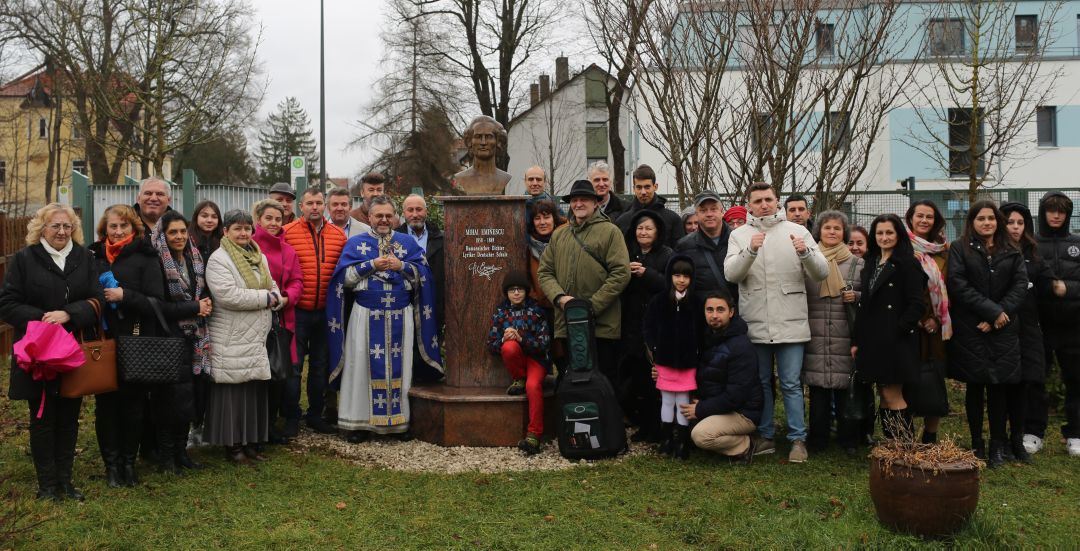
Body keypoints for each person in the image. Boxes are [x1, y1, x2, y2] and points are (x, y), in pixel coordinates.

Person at [0, 204, 101, 501]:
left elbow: (97, 299)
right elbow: (7, 303)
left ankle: (65, 482)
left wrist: (69, 314)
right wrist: (45, 318)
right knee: (42, 417)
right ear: (41, 228)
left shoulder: (84, 257)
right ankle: (47, 485)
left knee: (69, 416)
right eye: (55, 226)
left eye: (66, 226)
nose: (61, 231)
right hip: (37, 353)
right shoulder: (24, 259)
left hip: (72, 350)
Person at [724, 182, 828, 462]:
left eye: (768, 199)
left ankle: (797, 440)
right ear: (749, 205)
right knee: (761, 382)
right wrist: (750, 251)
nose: (764, 205)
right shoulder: (740, 235)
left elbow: (822, 272)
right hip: (755, 322)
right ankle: (766, 435)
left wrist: (805, 252)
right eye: (757, 201)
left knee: (792, 383)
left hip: (790, 322)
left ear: (777, 201)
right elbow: (731, 275)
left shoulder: (798, 231)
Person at [327, 196, 443, 442]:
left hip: (401, 315)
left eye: (388, 215)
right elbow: (344, 280)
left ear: (395, 217)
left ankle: (398, 424)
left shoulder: (407, 242)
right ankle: (359, 423)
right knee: (361, 368)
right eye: (378, 215)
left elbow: (424, 276)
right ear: (369, 217)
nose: (383, 220)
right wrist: (370, 264)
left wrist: (402, 265)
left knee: (402, 368)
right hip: (365, 316)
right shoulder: (356, 243)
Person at [88, 205, 172, 484]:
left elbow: (157, 301)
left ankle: (128, 463)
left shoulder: (146, 256)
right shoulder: (93, 255)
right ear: (105, 229)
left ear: (134, 228)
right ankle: (111, 466)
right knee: (106, 405)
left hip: (134, 339)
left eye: (124, 226)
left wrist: (125, 295)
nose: (118, 231)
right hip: (102, 340)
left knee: (133, 405)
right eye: (113, 226)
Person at [947, 201, 1027, 467]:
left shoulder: (1012, 249)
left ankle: (996, 445)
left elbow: (1019, 286)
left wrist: (998, 316)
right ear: (972, 221)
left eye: (991, 218)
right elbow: (958, 284)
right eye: (980, 218)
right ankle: (976, 444)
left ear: (997, 221)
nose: (986, 223)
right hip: (972, 329)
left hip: (1002, 329)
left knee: (998, 389)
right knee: (975, 387)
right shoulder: (960, 248)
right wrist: (990, 312)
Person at [538, 180, 630, 399]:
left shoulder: (610, 232)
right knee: (573, 380)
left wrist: (590, 306)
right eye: (574, 200)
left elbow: (621, 273)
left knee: (604, 382)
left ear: (595, 203)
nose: (579, 204)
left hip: (602, 326)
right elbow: (545, 272)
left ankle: (607, 430)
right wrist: (560, 298)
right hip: (567, 324)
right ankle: (574, 430)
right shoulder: (560, 235)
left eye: (584, 199)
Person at [205, 209, 282, 464]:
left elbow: (273, 287)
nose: (243, 233)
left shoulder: (258, 256)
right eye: (237, 228)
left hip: (256, 337)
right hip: (232, 335)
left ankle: (250, 443)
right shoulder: (219, 259)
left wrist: (274, 297)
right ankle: (232, 445)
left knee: (252, 391)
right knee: (232, 393)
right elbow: (229, 296)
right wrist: (267, 299)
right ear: (225, 231)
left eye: (247, 228)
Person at [851, 214, 928, 441]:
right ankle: (891, 444)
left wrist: (897, 330)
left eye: (889, 232)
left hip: (897, 342)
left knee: (892, 393)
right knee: (883, 394)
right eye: (880, 233)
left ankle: (905, 448)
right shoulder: (872, 262)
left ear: (899, 235)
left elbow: (917, 305)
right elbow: (865, 305)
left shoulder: (908, 263)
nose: (884, 237)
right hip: (872, 341)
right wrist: (856, 340)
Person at [281, 188, 347, 435]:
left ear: (325, 206)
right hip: (296, 311)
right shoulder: (287, 233)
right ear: (301, 207)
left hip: (326, 313)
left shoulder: (338, 236)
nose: (315, 207)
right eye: (310, 203)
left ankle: (315, 414)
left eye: (319, 203)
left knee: (320, 366)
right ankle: (291, 416)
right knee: (294, 367)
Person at [152, 211, 212, 473]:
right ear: (163, 236)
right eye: (172, 232)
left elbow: (201, 292)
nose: (178, 237)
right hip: (168, 337)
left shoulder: (194, 257)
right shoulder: (156, 262)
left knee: (187, 398)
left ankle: (181, 453)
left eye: (182, 231)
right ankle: (167, 458)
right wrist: (194, 307)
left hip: (194, 337)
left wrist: (203, 304)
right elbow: (157, 305)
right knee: (169, 401)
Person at [680, 292, 763, 464]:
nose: (714, 315)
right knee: (683, 424)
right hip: (719, 405)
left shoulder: (740, 346)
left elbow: (736, 396)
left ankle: (746, 444)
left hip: (743, 412)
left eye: (720, 310)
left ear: (731, 312)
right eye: (709, 310)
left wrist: (702, 409)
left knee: (700, 435)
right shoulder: (708, 336)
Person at [1000, 202, 1051, 458]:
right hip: (1001, 326)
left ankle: (1020, 436)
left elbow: (1049, 286)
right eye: (1010, 222)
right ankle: (1001, 438)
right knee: (1004, 384)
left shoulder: (1033, 253)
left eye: (1020, 223)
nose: (1015, 228)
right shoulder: (994, 252)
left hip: (1029, 328)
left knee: (1028, 382)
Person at [251, 199, 304, 443]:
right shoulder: (249, 246)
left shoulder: (288, 250)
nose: (273, 223)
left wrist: (286, 298)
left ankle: (270, 425)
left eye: (278, 219)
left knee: (278, 373)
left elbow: (296, 281)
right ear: (258, 220)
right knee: (257, 374)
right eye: (268, 218)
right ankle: (254, 427)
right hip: (253, 318)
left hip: (282, 319)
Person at [1032, 191, 1080, 457]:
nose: (1056, 215)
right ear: (1043, 212)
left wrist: (1067, 289)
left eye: (1061, 211)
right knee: (1035, 379)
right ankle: (1033, 432)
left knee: (1076, 380)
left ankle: (1075, 433)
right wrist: (1049, 289)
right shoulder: (1031, 244)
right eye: (1052, 210)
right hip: (1041, 325)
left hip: (1074, 325)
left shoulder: (1077, 243)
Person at [620, 210, 673, 443]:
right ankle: (643, 424)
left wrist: (645, 273)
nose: (643, 232)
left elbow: (671, 285)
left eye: (648, 228)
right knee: (638, 377)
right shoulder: (627, 253)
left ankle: (661, 426)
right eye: (640, 228)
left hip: (658, 325)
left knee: (658, 378)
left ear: (657, 231)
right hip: (631, 325)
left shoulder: (667, 254)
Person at [487, 270, 550, 455]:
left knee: (533, 387)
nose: (516, 293)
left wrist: (522, 338)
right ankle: (519, 379)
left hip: (537, 359)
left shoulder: (537, 311)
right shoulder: (501, 312)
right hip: (518, 362)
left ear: (526, 291)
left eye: (520, 289)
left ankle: (534, 435)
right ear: (506, 293)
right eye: (512, 290)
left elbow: (544, 344)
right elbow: (491, 345)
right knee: (509, 347)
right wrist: (506, 339)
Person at [643, 256, 700, 460]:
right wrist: (654, 347)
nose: (681, 280)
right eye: (677, 275)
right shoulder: (659, 300)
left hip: (687, 362)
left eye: (686, 276)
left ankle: (683, 441)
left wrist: (698, 352)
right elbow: (648, 327)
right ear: (670, 277)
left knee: (683, 401)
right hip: (665, 360)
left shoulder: (697, 302)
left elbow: (702, 331)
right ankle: (666, 439)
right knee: (667, 400)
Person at [904, 199, 952, 443]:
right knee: (908, 381)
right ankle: (907, 433)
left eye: (929, 216)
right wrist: (919, 317)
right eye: (919, 215)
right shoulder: (901, 247)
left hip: (937, 328)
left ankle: (931, 435)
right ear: (910, 218)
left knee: (935, 378)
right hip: (909, 325)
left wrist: (934, 318)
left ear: (936, 220)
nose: (924, 220)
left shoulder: (945, 250)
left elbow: (951, 287)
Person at [396, 194, 446, 382]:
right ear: (404, 213)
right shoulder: (395, 239)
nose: (415, 214)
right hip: (405, 305)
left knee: (431, 355)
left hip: (434, 305)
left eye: (419, 209)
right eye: (410, 210)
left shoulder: (441, 237)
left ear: (426, 211)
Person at [676, 191, 737, 303]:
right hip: (701, 313)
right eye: (703, 210)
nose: (709, 214)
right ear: (697, 214)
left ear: (722, 212)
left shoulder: (738, 239)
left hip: (737, 312)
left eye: (713, 209)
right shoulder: (684, 246)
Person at [615, 164, 684, 248]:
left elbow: (680, 253)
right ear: (634, 189)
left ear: (655, 187)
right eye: (639, 187)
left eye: (647, 187)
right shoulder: (622, 221)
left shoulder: (673, 219)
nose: (643, 192)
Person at [453, 115, 512, 194]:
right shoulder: (461, 178)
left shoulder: (504, 178)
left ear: (498, 142)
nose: (483, 142)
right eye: (478, 137)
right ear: (470, 142)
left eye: (488, 137)